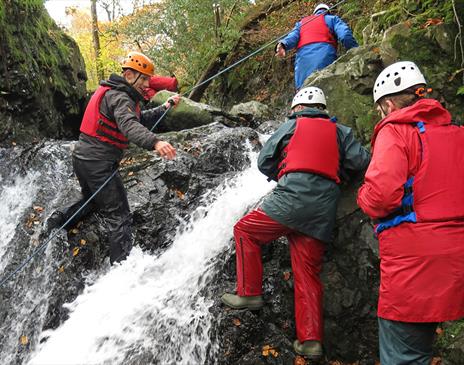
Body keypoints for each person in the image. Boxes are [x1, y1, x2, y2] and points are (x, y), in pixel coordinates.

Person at [221, 87, 370, 358]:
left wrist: (285, 175)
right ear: (323, 109)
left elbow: (264, 160)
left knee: (245, 231)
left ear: (297, 108)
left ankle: (249, 293)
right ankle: (311, 341)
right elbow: (361, 160)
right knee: (307, 273)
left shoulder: (291, 125)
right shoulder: (341, 131)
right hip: (323, 208)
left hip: (290, 199)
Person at [357, 61, 464, 364]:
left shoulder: (395, 132)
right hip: (457, 260)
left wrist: (362, 195)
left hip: (413, 266)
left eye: (380, 110)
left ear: (388, 104)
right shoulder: (458, 133)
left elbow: (381, 196)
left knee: (405, 355)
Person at [47, 51, 181, 264]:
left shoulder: (116, 94)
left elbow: (138, 119)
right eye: (143, 79)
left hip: (83, 158)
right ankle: (121, 271)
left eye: (148, 79)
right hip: (98, 162)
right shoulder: (119, 96)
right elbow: (129, 126)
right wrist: (156, 142)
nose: (147, 84)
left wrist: (165, 107)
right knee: (120, 217)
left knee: (93, 201)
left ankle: (56, 221)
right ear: (129, 75)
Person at [275, 3, 358, 90]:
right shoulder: (332, 19)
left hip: (302, 67)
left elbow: (292, 37)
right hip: (324, 60)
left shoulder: (301, 23)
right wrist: (355, 50)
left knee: (303, 96)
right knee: (325, 93)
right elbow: (345, 35)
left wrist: (283, 45)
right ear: (328, 12)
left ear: (315, 13)